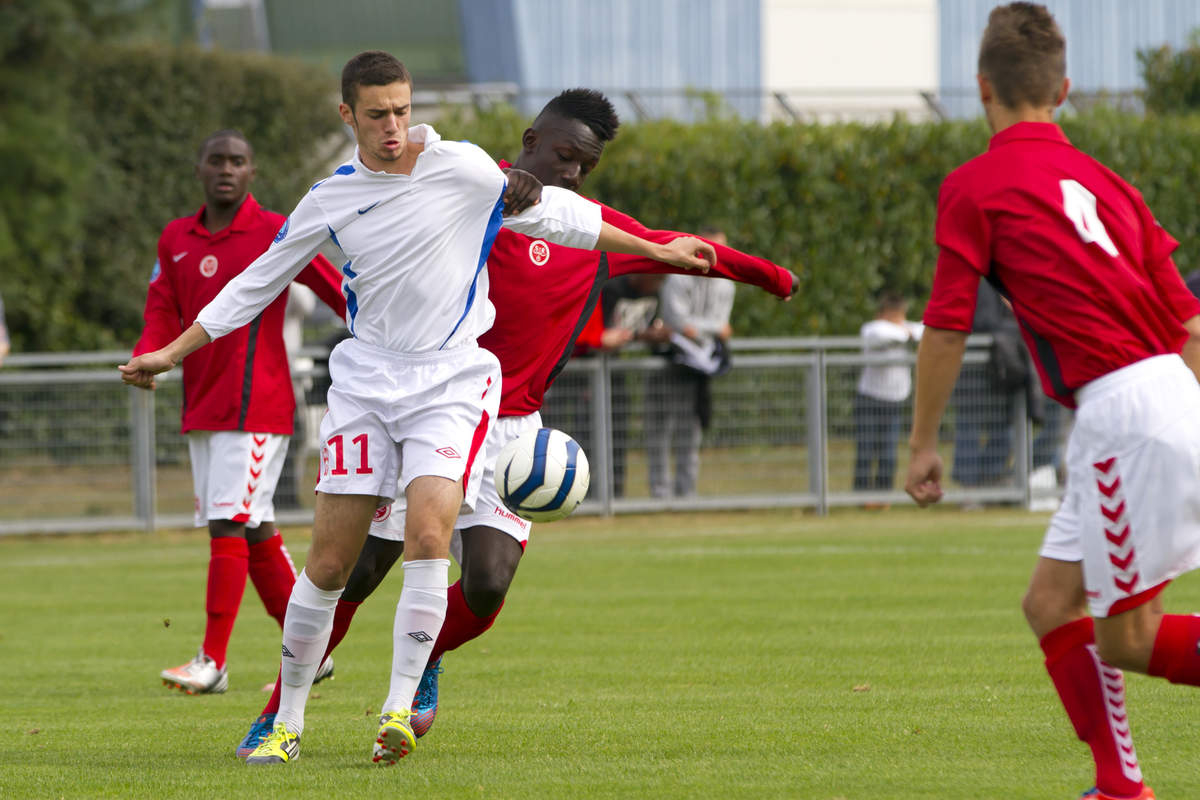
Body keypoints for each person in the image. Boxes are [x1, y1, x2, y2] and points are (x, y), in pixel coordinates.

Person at [121, 54, 717, 767]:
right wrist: (172, 352)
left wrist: (658, 249)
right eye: (377, 114)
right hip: (367, 385)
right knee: (332, 565)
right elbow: (255, 285)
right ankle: (287, 719)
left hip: (451, 383)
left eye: (402, 109)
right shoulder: (329, 198)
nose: (394, 126)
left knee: (430, 537)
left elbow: (564, 217)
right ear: (348, 116)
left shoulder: (460, 166)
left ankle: (398, 710)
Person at [233, 88, 798, 758]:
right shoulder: (470, 193)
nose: (572, 172)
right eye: (562, 155)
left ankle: (426, 661)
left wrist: (771, 278)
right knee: (358, 572)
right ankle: (278, 715)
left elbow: (679, 246)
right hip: (428, 403)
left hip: (512, 429)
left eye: (585, 165)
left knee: (488, 581)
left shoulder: (585, 226)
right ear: (531, 140)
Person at [905, 6, 1200, 799]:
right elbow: (1191, 325)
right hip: (1169, 391)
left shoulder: (974, 186)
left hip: (1123, 412)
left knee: (1130, 636)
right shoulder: (1111, 185)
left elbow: (945, 326)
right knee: (1049, 601)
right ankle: (1119, 785)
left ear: (980, 89)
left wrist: (921, 443)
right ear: (1064, 89)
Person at [133, 129, 346, 696]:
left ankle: (213, 661)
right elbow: (163, 309)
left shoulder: (276, 228)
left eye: (239, 161)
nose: (227, 169)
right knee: (253, 530)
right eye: (217, 160)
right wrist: (147, 357)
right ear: (199, 168)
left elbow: (334, 289)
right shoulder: (176, 238)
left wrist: (383, 326)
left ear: (253, 171)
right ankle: (313, 652)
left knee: (229, 522)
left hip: (259, 405)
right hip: (203, 406)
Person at [646, 227, 736, 499]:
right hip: (672, 363)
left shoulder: (726, 284)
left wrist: (700, 329)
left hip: (701, 367)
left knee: (691, 431)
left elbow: (716, 327)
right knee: (659, 430)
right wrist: (710, 329)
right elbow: (678, 322)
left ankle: (687, 493)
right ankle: (660, 494)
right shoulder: (677, 278)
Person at [853, 290, 922, 498]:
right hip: (870, 397)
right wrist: (905, 332)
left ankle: (884, 496)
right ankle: (861, 495)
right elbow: (881, 334)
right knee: (865, 451)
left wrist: (906, 331)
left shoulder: (905, 328)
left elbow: (925, 330)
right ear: (883, 313)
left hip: (894, 400)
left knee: (889, 453)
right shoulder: (873, 329)